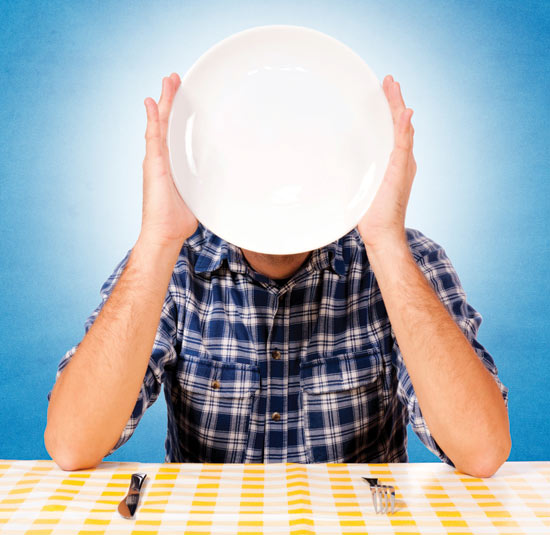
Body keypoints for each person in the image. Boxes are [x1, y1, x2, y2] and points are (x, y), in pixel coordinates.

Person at [44, 73, 510, 476]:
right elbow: (72, 443)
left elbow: (481, 450)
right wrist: (157, 238)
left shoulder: (405, 259)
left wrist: (386, 242)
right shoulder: (173, 264)